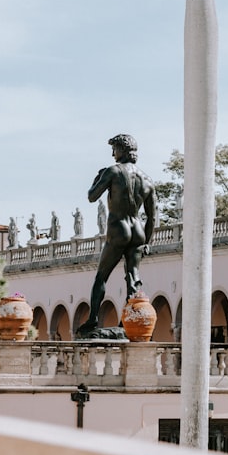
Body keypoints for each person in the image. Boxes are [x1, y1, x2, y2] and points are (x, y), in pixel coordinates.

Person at [76, 134, 156, 335]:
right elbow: (153, 217)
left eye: (114, 149)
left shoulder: (113, 171)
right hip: (137, 229)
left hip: (118, 228)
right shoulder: (147, 179)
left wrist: (98, 177)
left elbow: (92, 196)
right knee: (133, 276)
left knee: (101, 277)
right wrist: (147, 242)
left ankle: (93, 320)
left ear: (121, 149)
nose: (112, 154)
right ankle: (130, 320)